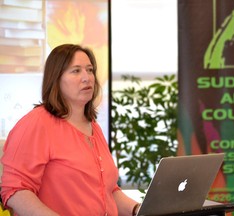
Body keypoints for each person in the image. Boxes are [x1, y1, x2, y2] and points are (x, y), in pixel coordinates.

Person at [0, 44, 140, 216]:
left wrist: (138, 210)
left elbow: (108, 191)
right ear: (56, 78)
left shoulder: (94, 127)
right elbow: (15, 191)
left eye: (90, 70)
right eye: (76, 71)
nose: (87, 78)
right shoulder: (37, 123)